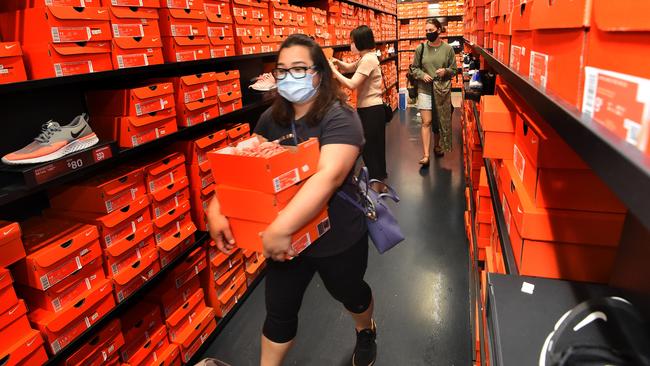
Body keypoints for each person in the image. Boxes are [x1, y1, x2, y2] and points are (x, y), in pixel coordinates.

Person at [206, 34, 377, 366]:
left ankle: (365, 328)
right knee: (279, 310)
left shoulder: (341, 117)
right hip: (289, 242)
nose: (289, 76)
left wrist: (281, 227)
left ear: (319, 73)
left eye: (299, 68)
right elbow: (245, 164)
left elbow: (327, 177)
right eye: (282, 70)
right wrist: (218, 205)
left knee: (351, 293)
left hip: (337, 235)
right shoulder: (273, 118)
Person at [329, 25, 387, 192]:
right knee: (374, 148)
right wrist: (338, 62)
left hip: (372, 111)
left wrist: (333, 70)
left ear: (360, 42)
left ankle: (377, 187)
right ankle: (379, 185)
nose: (350, 45)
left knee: (372, 149)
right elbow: (350, 68)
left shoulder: (368, 59)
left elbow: (352, 84)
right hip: (369, 110)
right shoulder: (365, 58)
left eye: (352, 42)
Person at [411, 18, 457, 166]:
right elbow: (414, 68)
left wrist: (445, 71)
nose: (428, 33)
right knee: (427, 121)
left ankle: (437, 146)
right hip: (425, 89)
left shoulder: (448, 49)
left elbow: (454, 70)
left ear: (438, 30)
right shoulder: (421, 48)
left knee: (438, 121)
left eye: (430, 30)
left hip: (442, 90)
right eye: (426, 31)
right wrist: (422, 75)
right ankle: (426, 155)